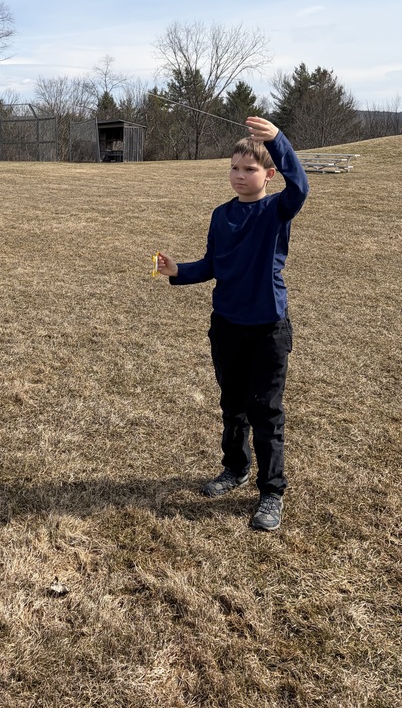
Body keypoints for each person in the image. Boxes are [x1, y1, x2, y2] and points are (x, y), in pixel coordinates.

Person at [156, 116, 309, 531]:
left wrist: (279, 140)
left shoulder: (277, 208)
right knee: (233, 406)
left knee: (266, 411)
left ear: (268, 174)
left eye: (250, 169)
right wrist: (177, 270)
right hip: (226, 325)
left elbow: (301, 187)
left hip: (267, 329)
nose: (240, 176)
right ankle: (235, 469)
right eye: (234, 168)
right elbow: (212, 264)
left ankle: (272, 491)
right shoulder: (221, 215)